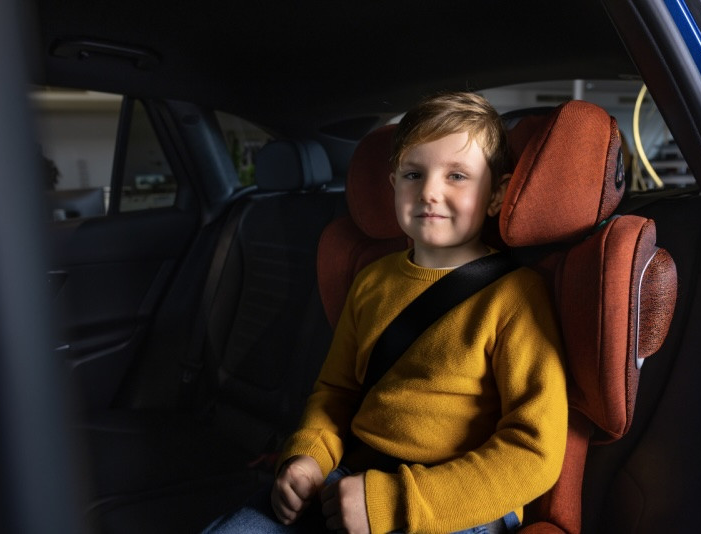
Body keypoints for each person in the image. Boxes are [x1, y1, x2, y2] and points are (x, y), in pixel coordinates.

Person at [203, 92, 567, 533]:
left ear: (496, 194)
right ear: (394, 184)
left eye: (457, 176)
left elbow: (535, 451)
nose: (429, 191)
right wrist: (308, 458)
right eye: (414, 174)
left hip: (454, 502)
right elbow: (335, 392)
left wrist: (393, 502)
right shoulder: (372, 281)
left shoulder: (515, 296)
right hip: (351, 479)